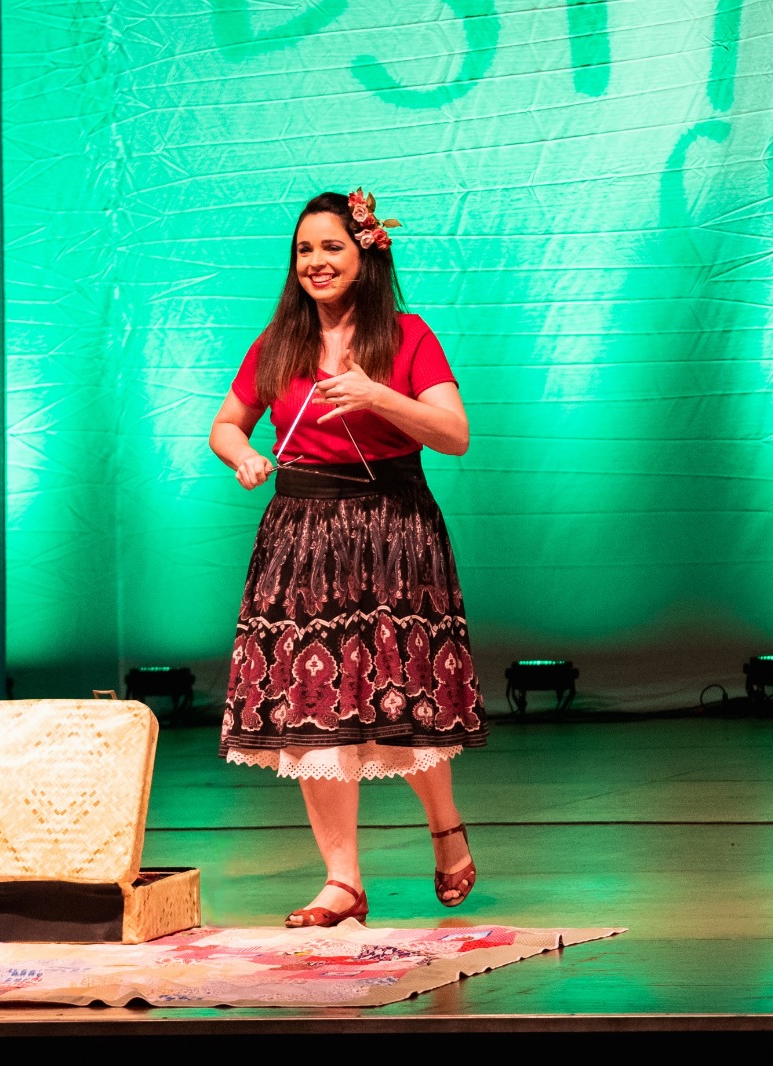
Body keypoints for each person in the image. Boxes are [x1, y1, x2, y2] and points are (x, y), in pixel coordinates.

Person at [210, 189, 485, 926]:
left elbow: (453, 433)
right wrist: (242, 455)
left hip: (393, 530)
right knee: (315, 710)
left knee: (404, 699)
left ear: (367, 252)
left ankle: (444, 824)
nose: (316, 262)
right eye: (304, 249)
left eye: (331, 246)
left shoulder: (408, 337)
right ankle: (342, 881)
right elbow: (227, 424)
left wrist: (374, 394)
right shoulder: (278, 345)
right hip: (301, 535)